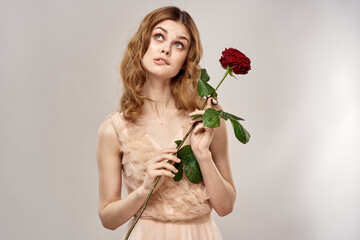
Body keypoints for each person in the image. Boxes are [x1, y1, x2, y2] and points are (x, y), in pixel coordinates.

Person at [96, 6, 236, 240]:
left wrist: (203, 155)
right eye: (158, 36)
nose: (166, 48)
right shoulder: (113, 129)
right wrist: (144, 190)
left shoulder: (206, 118)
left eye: (178, 44)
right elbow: (108, 219)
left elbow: (226, 207)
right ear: (143, 44)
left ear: (185, 60)